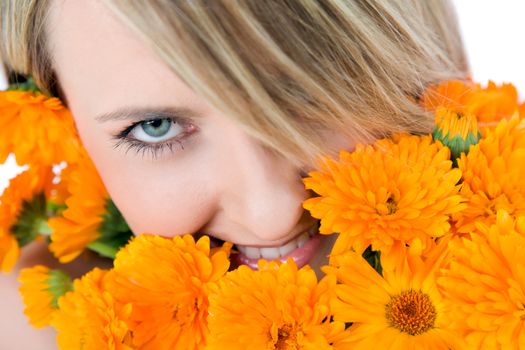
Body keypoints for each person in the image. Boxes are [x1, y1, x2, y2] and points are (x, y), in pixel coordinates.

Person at [0, 0, 468, 348]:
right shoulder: (34, 328)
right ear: (66, 128)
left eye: (305, 95)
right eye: (154, 128)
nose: (272, 216)